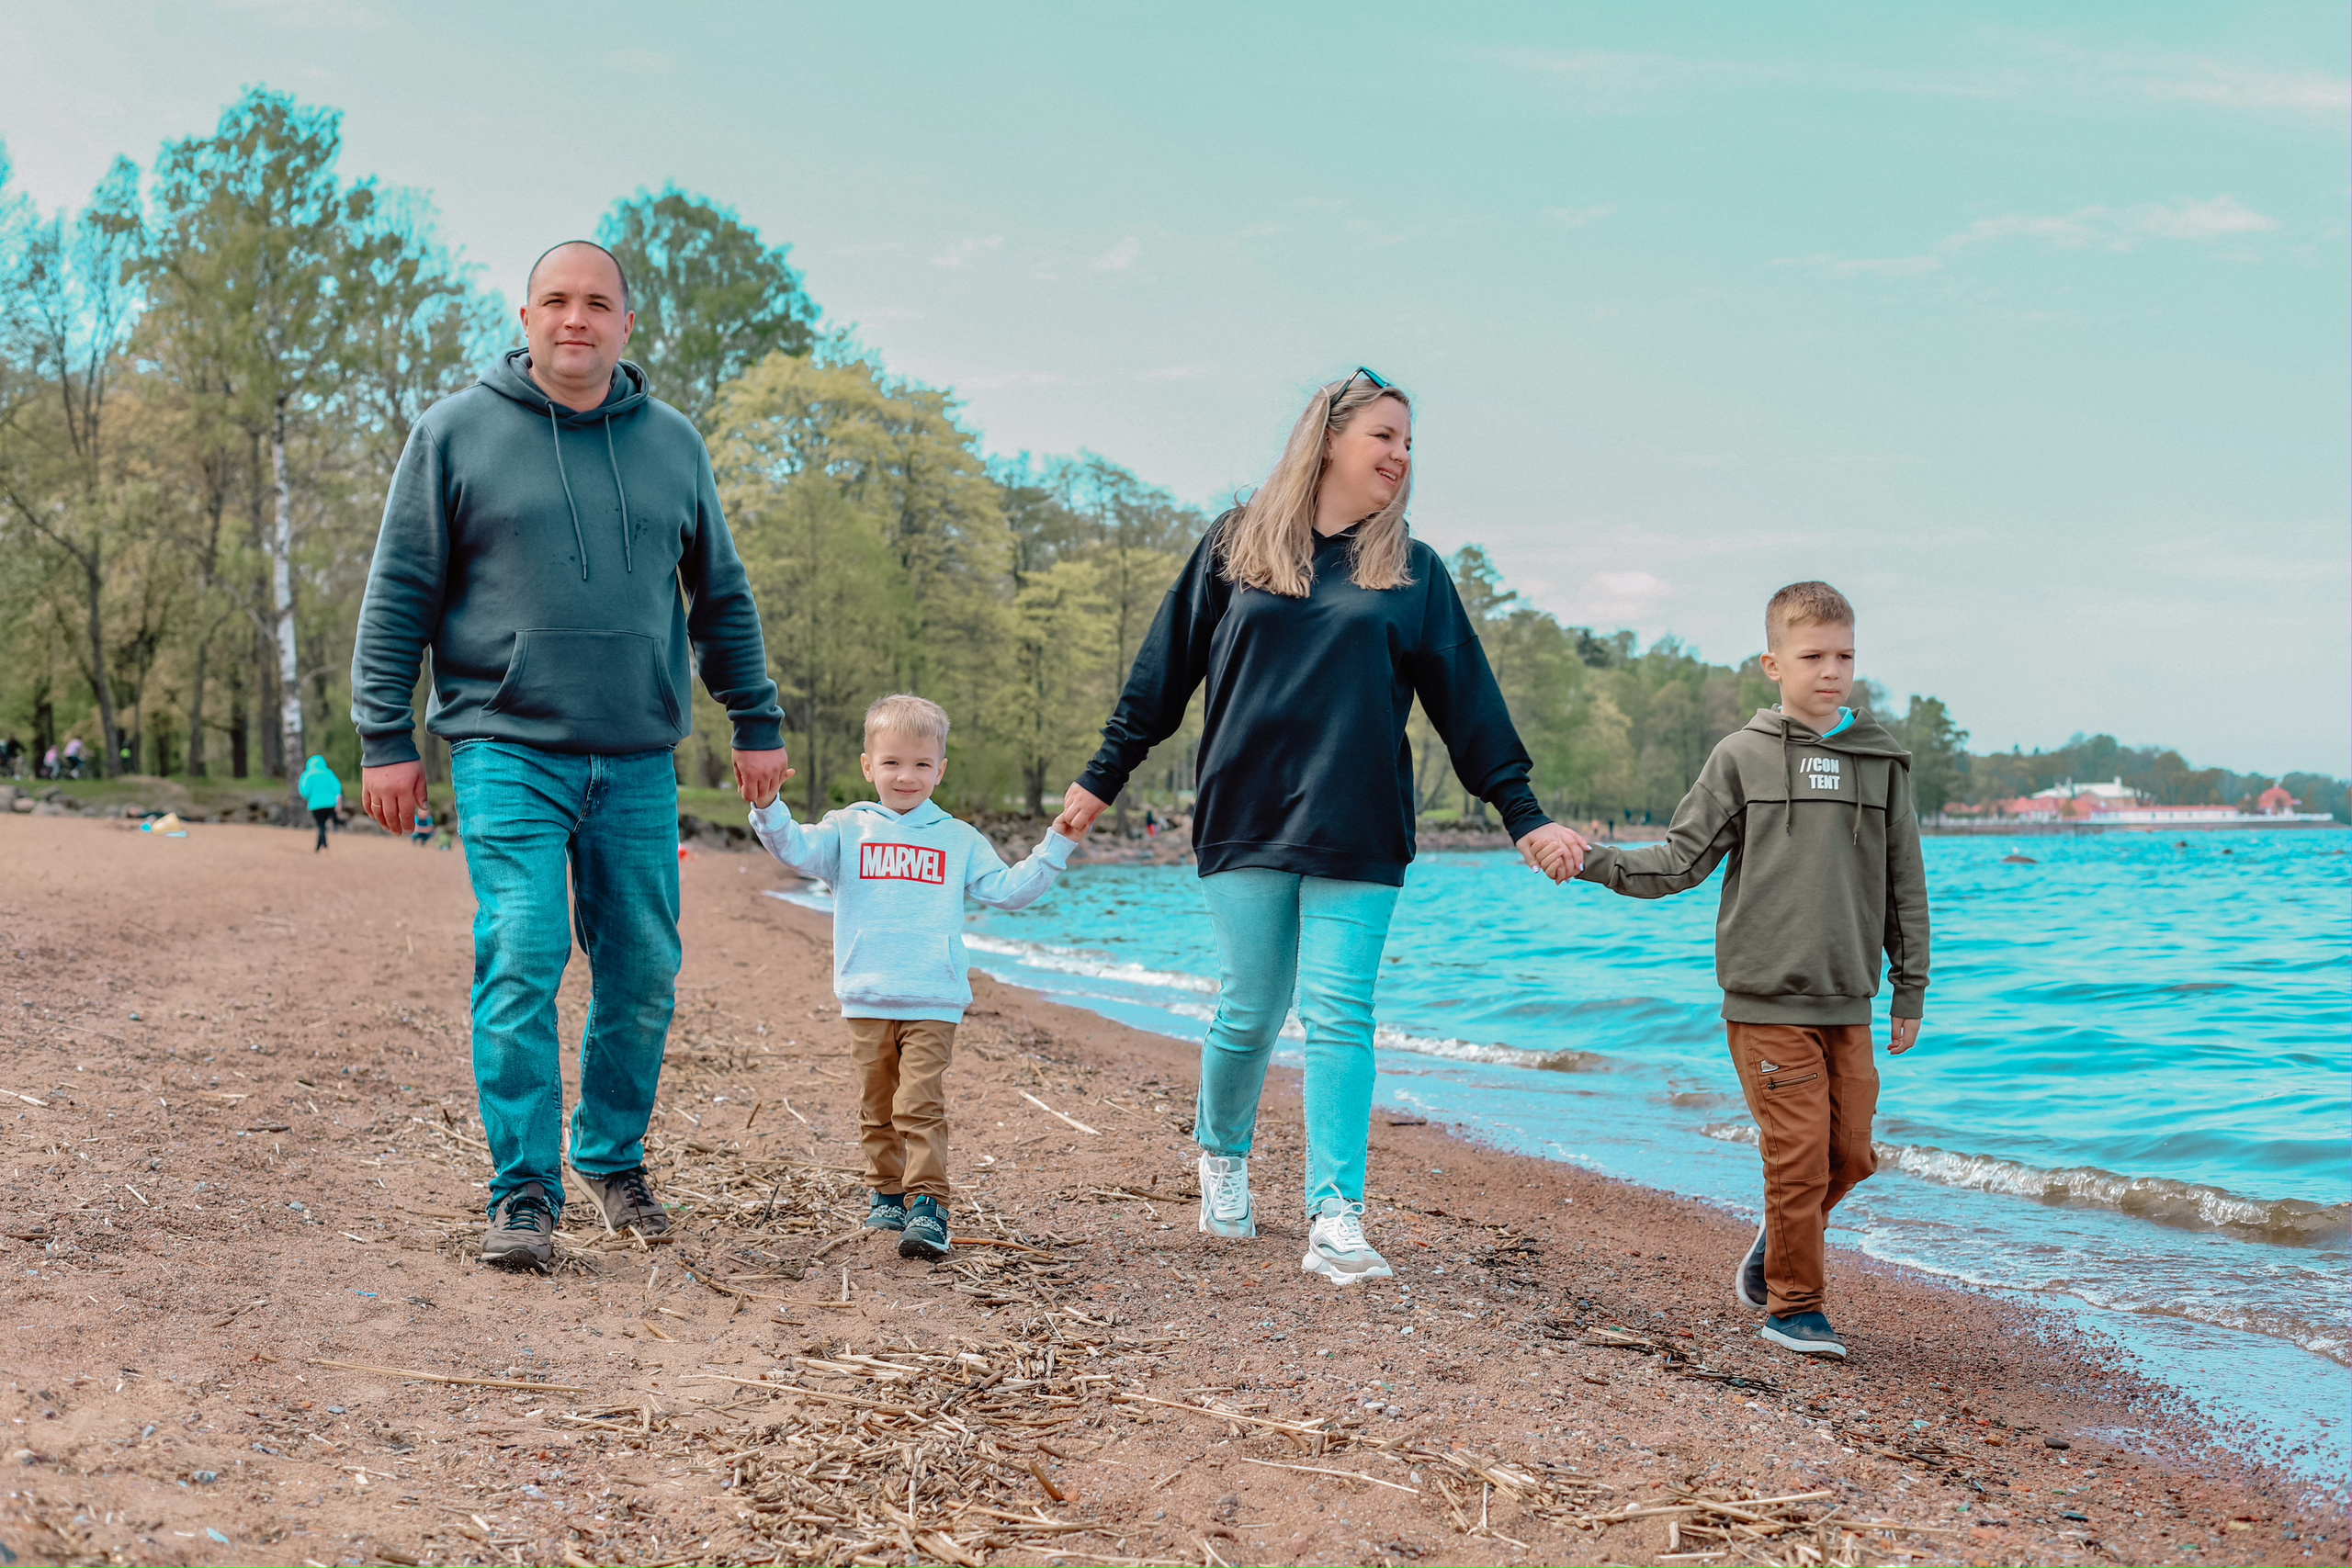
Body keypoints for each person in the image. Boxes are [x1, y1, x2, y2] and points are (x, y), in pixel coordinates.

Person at [1059, 369, 1590, 1286]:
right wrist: (1103, 775)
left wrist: (1523, 816)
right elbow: (1163, 673)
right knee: (1251, 1008)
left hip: (1359, 819)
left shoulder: (1411, 570)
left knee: (1342, 1013)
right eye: (1385, 436)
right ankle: (1221, 1161)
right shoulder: (1234, 545)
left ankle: (1334, 1213)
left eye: (1410, 444)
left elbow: (1469, 705)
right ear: (1331, 437)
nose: (1400, 457)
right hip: (1246, 810)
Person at [350, 239, 790, 1269]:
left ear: (628, 324)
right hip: (507, 745)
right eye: (556, 301)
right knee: (525, 951)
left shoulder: (674, 445)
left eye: (596, 303)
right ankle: (524, 1194)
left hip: (637, 753)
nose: (575, 319)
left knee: (642, 971)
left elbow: (720, 595)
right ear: (526, 316)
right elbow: (399, 591)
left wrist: (755, 716)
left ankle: (611, 1155)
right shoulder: (454, 433)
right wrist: (386, 736)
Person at [1571, 581, 1929, 1360]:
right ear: (1773, 662)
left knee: (1852, 1154)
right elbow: (1678, 861)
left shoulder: (1883, 763)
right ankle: (1793, 1307)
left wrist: (1910, 986)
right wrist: (1590, 861)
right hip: (1764, 998)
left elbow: (1907, 881)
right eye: (1812, 655)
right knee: (1797, 1155)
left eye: (1844, 655)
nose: (1830, 670)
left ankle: (1780, 1238)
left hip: (1851, 1000)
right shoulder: (1740, 756)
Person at [749, 695, 1077, 1259]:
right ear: (867, 766)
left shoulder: (960, 838)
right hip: (866, 994)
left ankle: (929, 1206)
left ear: (941, 770)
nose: (907, 776)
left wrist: (1058, 843)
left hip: (934, 996)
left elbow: (1009, 891)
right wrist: (769, 805)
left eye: (922, 764)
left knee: (919, 1103)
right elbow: (794, 848)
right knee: (877, 1105)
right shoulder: (846, 829)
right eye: (893, 762)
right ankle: (887, 1192)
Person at [298, 755, 343, 852]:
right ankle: (319, 846)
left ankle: (324, 845)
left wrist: (308, 797)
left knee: (320, 825)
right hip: (330, 804)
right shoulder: (328, 773)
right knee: (322, 825)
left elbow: (304, 791)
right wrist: (338, 800)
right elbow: (337, 787)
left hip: (315, 804)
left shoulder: (308, 775)